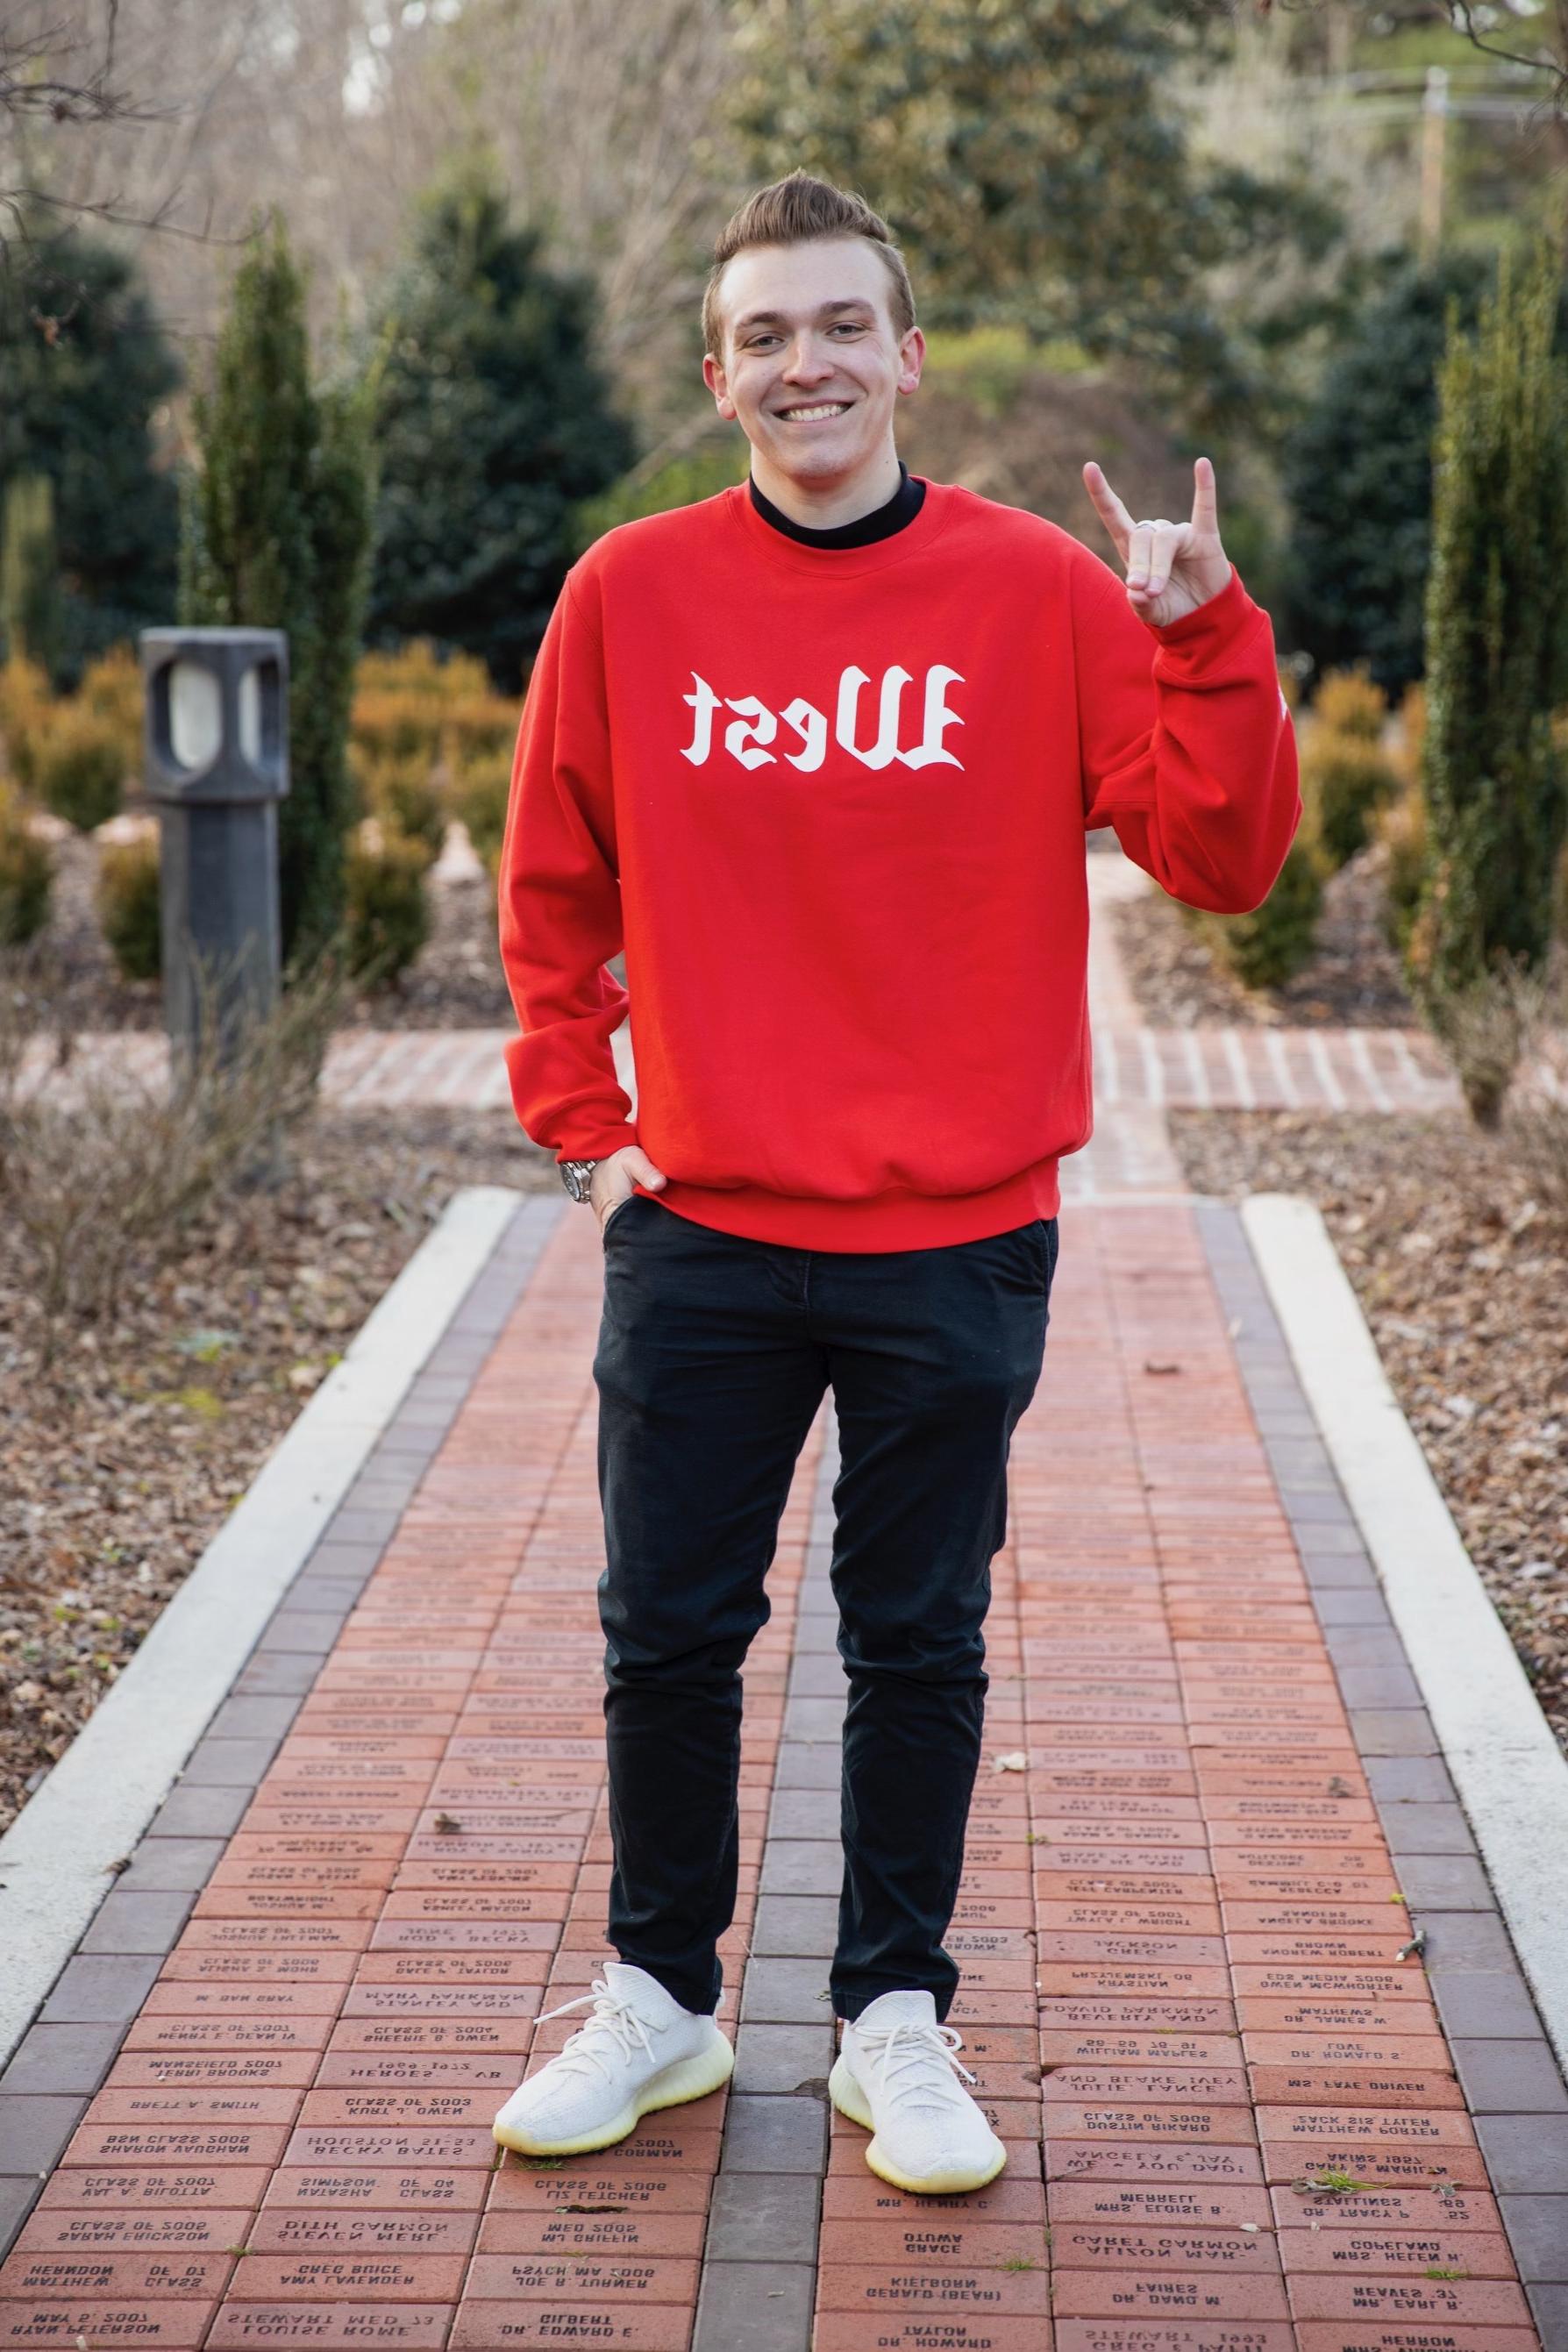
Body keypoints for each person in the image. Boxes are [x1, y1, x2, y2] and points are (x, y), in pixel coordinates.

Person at [490, 170, 1300, 2196]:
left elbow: (1224, 861)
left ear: (909, 356)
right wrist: (588, 1138)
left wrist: (1203, 638)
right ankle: (661, 2002)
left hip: (958, 1236)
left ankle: (893, 2024)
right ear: (718, 376)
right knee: (667, 1633)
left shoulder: (1036, 591)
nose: (807, 364)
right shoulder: (631, 593)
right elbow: (550, 887)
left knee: (918, 1640)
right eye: (765, 334)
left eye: (841, 325)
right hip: (705, 1233)